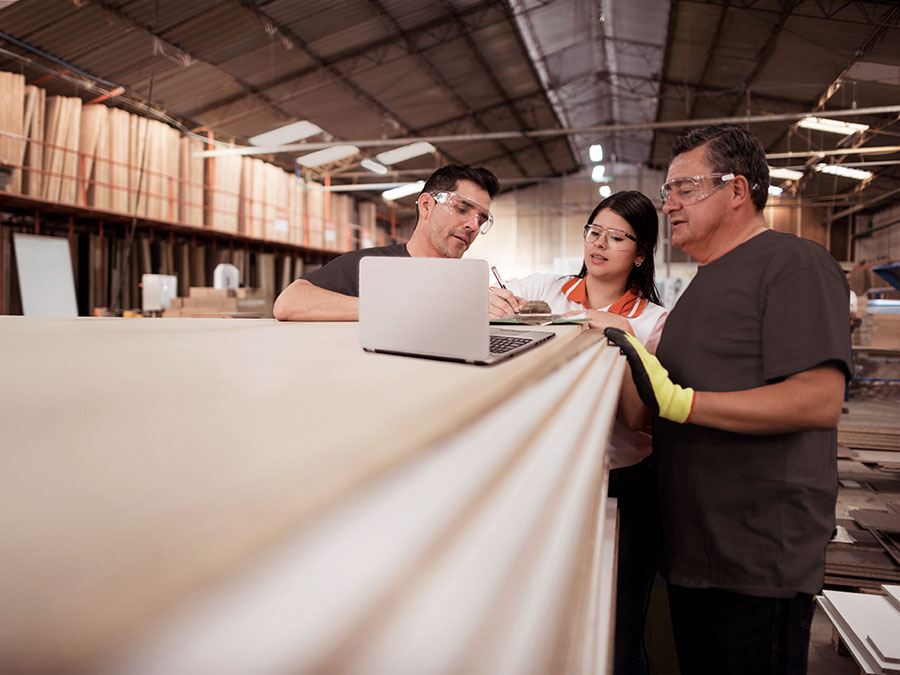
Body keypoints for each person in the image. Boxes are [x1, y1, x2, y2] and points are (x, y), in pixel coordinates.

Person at [603, 124, 852, 675]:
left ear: (736, 190)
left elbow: (817, 400)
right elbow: (650, 410)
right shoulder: (699, 287)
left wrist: (684, 404)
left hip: (757, 559)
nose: (666, 204)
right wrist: (607, 344)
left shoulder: (793, 263)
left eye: (683, 189)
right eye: (668, 191)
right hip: (694, 551)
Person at [491, 191, 667, 675]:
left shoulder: (651, 321)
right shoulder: (545, 289)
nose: (600, 244)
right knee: (546, 619)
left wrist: (621, 334)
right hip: (552, 475)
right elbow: (489, 291)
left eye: (616, 237)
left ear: (642, 252)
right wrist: (491, 297)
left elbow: (639, 420)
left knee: (618, 632)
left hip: (626, 482)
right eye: (594, 231)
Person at [273, 164, 500, 321]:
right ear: (426, 206)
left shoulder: (465, 285)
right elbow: (288, 303)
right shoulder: (368, 264)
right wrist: (393, 307)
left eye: (481, 219)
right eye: (461, 209)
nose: (473, 225)